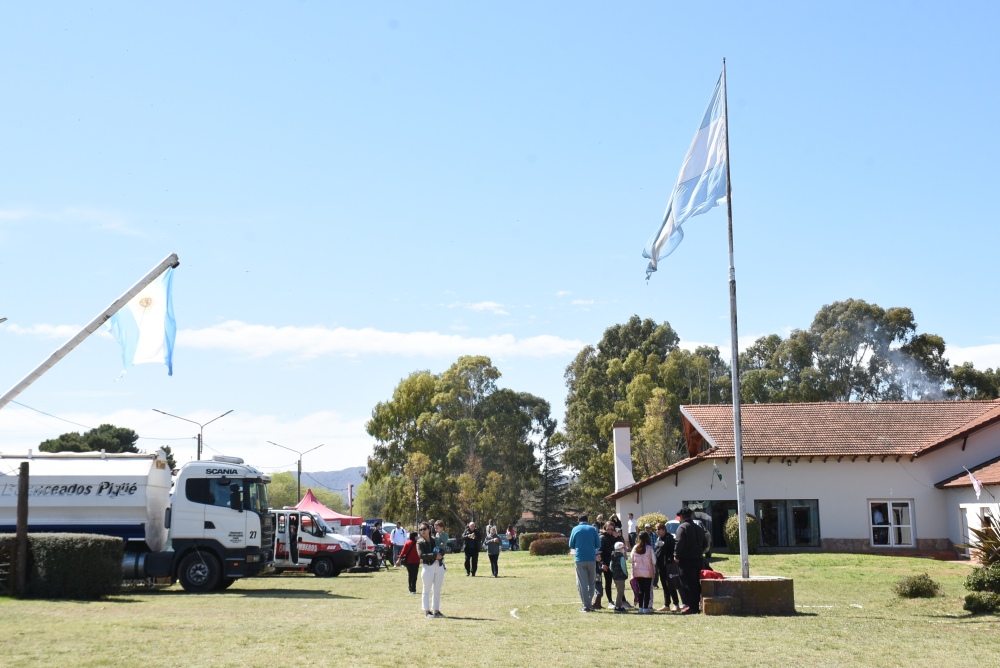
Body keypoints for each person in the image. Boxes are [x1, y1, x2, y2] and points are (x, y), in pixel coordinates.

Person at [674, 507, 708, 614]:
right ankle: (695, 605)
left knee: (687, 583)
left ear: (682, 517)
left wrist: (676, 555)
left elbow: (679, 543)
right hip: (698, 559)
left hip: (686, 560)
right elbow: (705, 543)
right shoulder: (699, 528)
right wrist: (699, 551)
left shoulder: (682, 528)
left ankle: (692, 607)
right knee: (696, 583)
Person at [568, 513, 601, 612]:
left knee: (582, 583)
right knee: (591, 582)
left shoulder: (575, 529)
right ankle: (589, 603)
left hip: (580, 559)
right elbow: (598, 544)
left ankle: (585, 604)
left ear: (578, 520)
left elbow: (571, 544)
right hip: (591, 558)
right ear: (587, 519)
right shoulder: (593, 529)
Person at [416, 522, 445, 618]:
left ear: (429, 529)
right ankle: (427, 611)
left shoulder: (435, 540)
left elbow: (441, 548)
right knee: (426, 589)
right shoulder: (420, 542)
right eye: (420, 530)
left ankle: (436, 610)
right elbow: (421, 555)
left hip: (439, 566)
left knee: (437, 589)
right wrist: (434, 556)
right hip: (428, 567)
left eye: (424, 529)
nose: (422, 531)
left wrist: (441, 554)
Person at [654, 522, 681, 612]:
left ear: (664, 530)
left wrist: (672, 560)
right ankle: (667, 605)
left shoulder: (669, 538)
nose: (657, 531)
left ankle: (676, 605)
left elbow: (674, 550)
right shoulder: (658, 539)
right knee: (664, 585)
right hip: (660, 566)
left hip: (669, 565)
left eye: (659, 529)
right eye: (656, 529)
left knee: (671, 585)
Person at [631, 531, 656, 613]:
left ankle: (640, 607)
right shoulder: (649, 548)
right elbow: (654, 561)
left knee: (640, 590)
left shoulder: (635, 547)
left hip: (638, 572)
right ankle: (646, 608)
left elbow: (631, 559)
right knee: (647, 590)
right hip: (648, 572)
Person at [595, 520, 617, 609]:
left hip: (615, 563)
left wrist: (617, 537)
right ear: (605, 529)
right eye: (608, 529)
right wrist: (602, 563)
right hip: (606, 563)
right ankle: (610, 601)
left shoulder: (615, 537)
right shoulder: (602, 538)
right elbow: (600, 552)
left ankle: (622, 600)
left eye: (612, 529)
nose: (610, 531)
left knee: (619, 582)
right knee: (608, 582)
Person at [610, 540, 630, 613]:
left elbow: (611, 566)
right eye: (623, 548)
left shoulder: (613, 555)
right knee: (620, 592)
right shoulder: (621, 557)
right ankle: (618, 606)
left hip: (615, 576)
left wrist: (614, 572)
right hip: (621, 577)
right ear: (620, 548)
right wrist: (626, 573)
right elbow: (623, 567)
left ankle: (620, 605)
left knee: (619, 591)